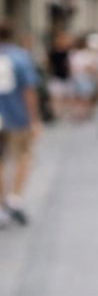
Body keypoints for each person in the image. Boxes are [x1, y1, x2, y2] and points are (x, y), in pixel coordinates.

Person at [0, 21, 41, 227]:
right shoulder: (20, 57)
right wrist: (34, 119)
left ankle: (1, 205)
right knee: (23, 156)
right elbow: (29, 90)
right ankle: (15, 197)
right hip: (17, 117)